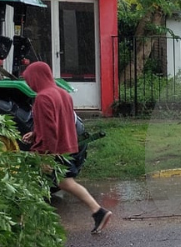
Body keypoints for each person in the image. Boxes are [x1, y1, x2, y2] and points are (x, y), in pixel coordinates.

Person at [21, 61, 113, 234]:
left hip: (49, 151)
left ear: (36, 78)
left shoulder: (43, 98)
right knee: (65, 182)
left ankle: (23, 224)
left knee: (31, 183)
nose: (29, 84)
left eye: (29, 79)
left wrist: (47, 155)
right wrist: (34, 133)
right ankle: (98, 211)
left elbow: (50, 129)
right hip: (65, 147)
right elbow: (60, 121)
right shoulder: (62, 93)